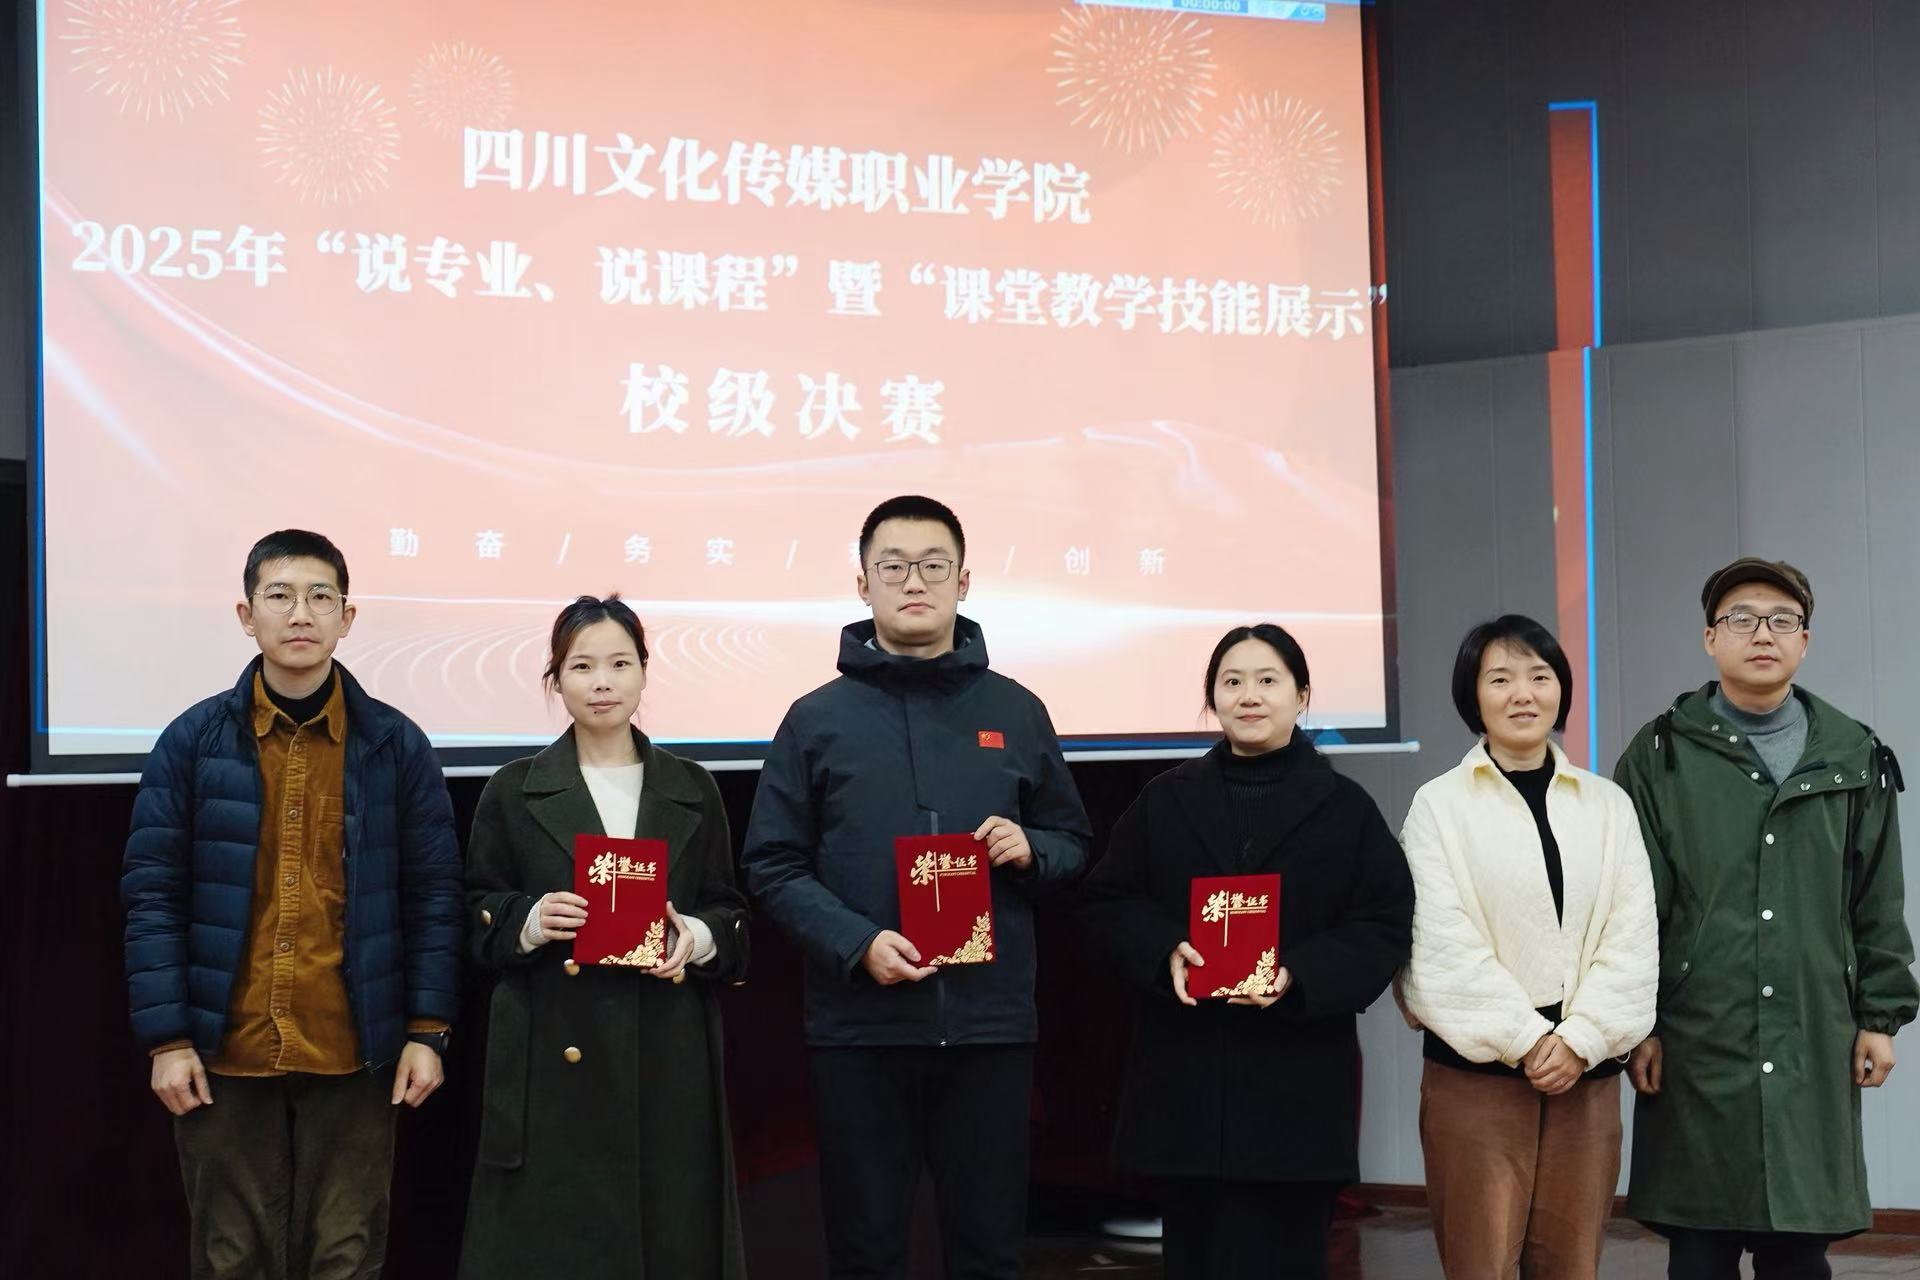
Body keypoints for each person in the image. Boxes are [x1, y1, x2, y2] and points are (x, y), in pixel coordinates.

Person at [741, 494, 1092, 1280]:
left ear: (964, 582)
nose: (913, 582)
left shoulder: (1017, 711)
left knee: (989, 1251)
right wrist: (856, 943)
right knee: (866, 1252)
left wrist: (1032, 848)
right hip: (860, 1030)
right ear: (861, 583)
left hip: (989, 1027)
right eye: (892, 566)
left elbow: (1074, 843)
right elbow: (772, 863)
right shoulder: (816, 720)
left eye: (933, 566)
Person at [122, 529, 463, 1280]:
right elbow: (153, 897)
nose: (300, 613)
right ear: (247, 616)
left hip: (356, 1046)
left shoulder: (396, 745)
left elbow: (434, 896)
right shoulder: (191, 742)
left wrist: (428, 1030)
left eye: (320, 597)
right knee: (231, 1256)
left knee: (347, 1255)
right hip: (225, 1047)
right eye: (280, 596)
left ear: (348, 616)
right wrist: (167, 1039)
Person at [1078, 623, 1414, 1280]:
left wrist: (1300, 975)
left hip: (1296, 1087)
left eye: (1268, 680)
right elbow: (1107, 901)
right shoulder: (1165, 799)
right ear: (1212, 699)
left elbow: (1383, 921)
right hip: (1188, 1084)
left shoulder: (1345, 807)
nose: (1249, 696)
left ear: (1302, 696)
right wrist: (1164, 951)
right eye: (1232, 682)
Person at [1615, 558, 1918, 1278]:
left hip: (1814, 1028)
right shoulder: (1660, 754)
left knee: (1799, 1254)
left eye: (1783, 620)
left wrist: (1880, 1017)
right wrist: (1639, 1026)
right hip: (1696, 1033)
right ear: (1710, 638)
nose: (1763, 634)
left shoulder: (1853, 754)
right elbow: (1633, 904)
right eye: (1742, 619)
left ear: (1804, 641)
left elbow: (1876, 897)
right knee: (1700, 1250)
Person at [460, 595, 749, 1280]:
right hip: (552, 1052)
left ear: (644, 672)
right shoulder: (514, 789)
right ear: (555, 678)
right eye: (582, 666)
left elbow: (729, 910)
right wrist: (530, 920)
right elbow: (472, 912)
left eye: (620, 664)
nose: (602, 682)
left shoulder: (692, 786)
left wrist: (696, 937)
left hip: (665, 1046)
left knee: (671, 1237)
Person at [1397, 614, 1657, 1279]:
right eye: (1500, 679)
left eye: (1539, 677)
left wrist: (1580, 1041)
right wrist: (1527, 1039)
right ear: (1473, 695)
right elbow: (1438, 943)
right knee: (1479, 1263)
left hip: (1586, 1075)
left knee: (1572, 1265)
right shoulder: (1438, 806)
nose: (1523, 694)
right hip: (1476, 1077)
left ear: (1561, 690)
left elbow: (1632, 936)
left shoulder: (1607, 805)